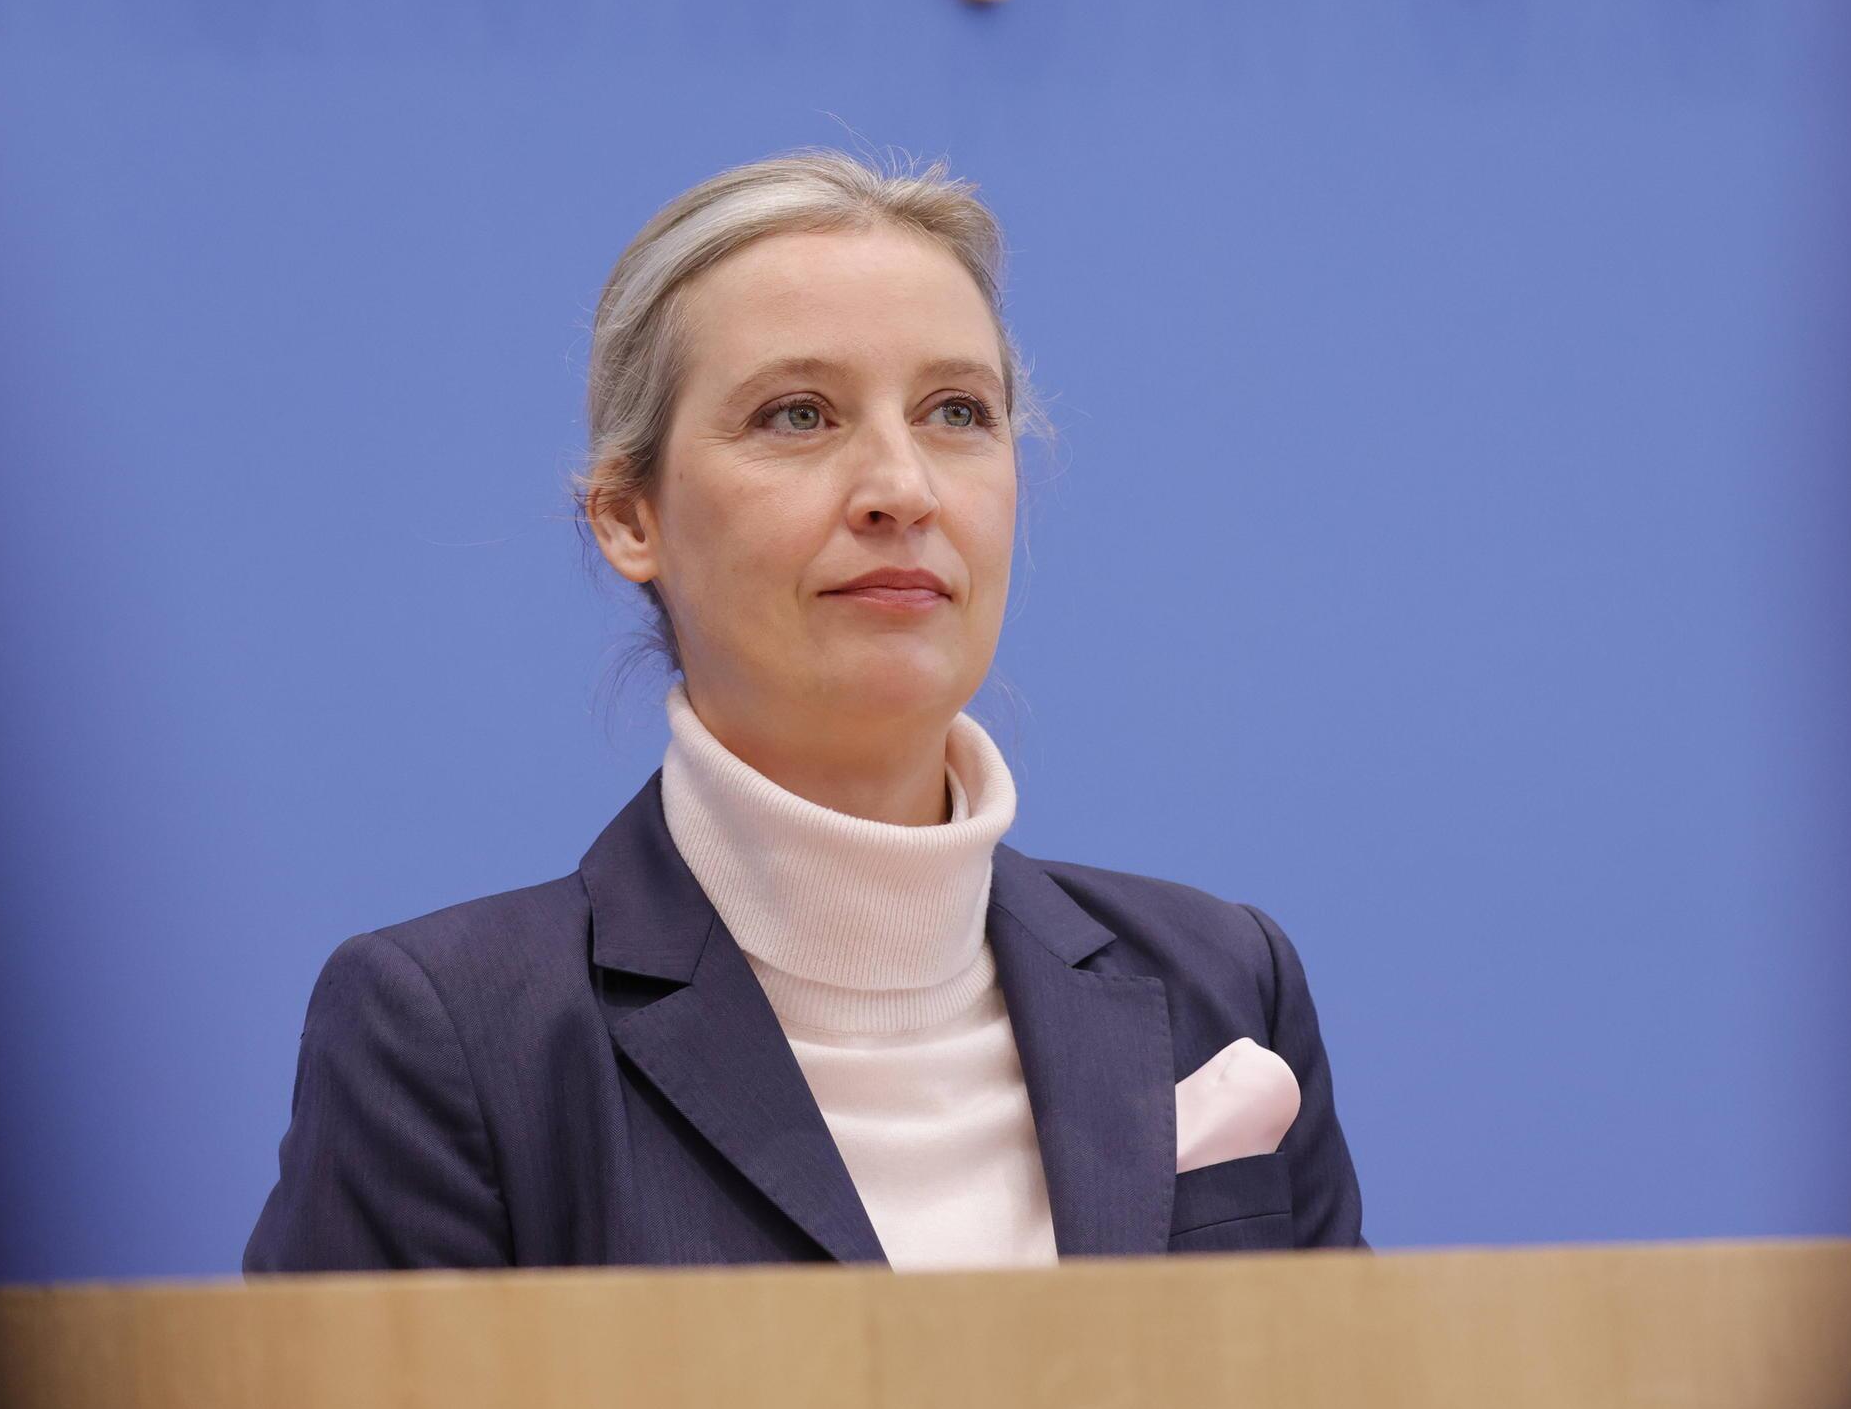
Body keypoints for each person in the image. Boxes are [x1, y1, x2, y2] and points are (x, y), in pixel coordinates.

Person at [245, 149, 1365, 1270]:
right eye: (798, 414)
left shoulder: (1222, 981)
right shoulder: (452, 1037)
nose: (903, 489)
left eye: (957, 411)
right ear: (629, 515)